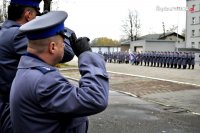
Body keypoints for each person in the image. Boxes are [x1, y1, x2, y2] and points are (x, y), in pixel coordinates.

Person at [10, 11, 109, 133]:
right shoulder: (44, 81)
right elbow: (96, 98)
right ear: (52, 47)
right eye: (63, 44)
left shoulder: (27, 71)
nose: (65, 47)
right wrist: (87, 56)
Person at [0, 0, 75, 132]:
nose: (36, 19)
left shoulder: (2, 31)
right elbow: (66, 53)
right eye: (35, 15)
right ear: (28, 15)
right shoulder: (17, 35)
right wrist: (60, 29)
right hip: (13, 113)